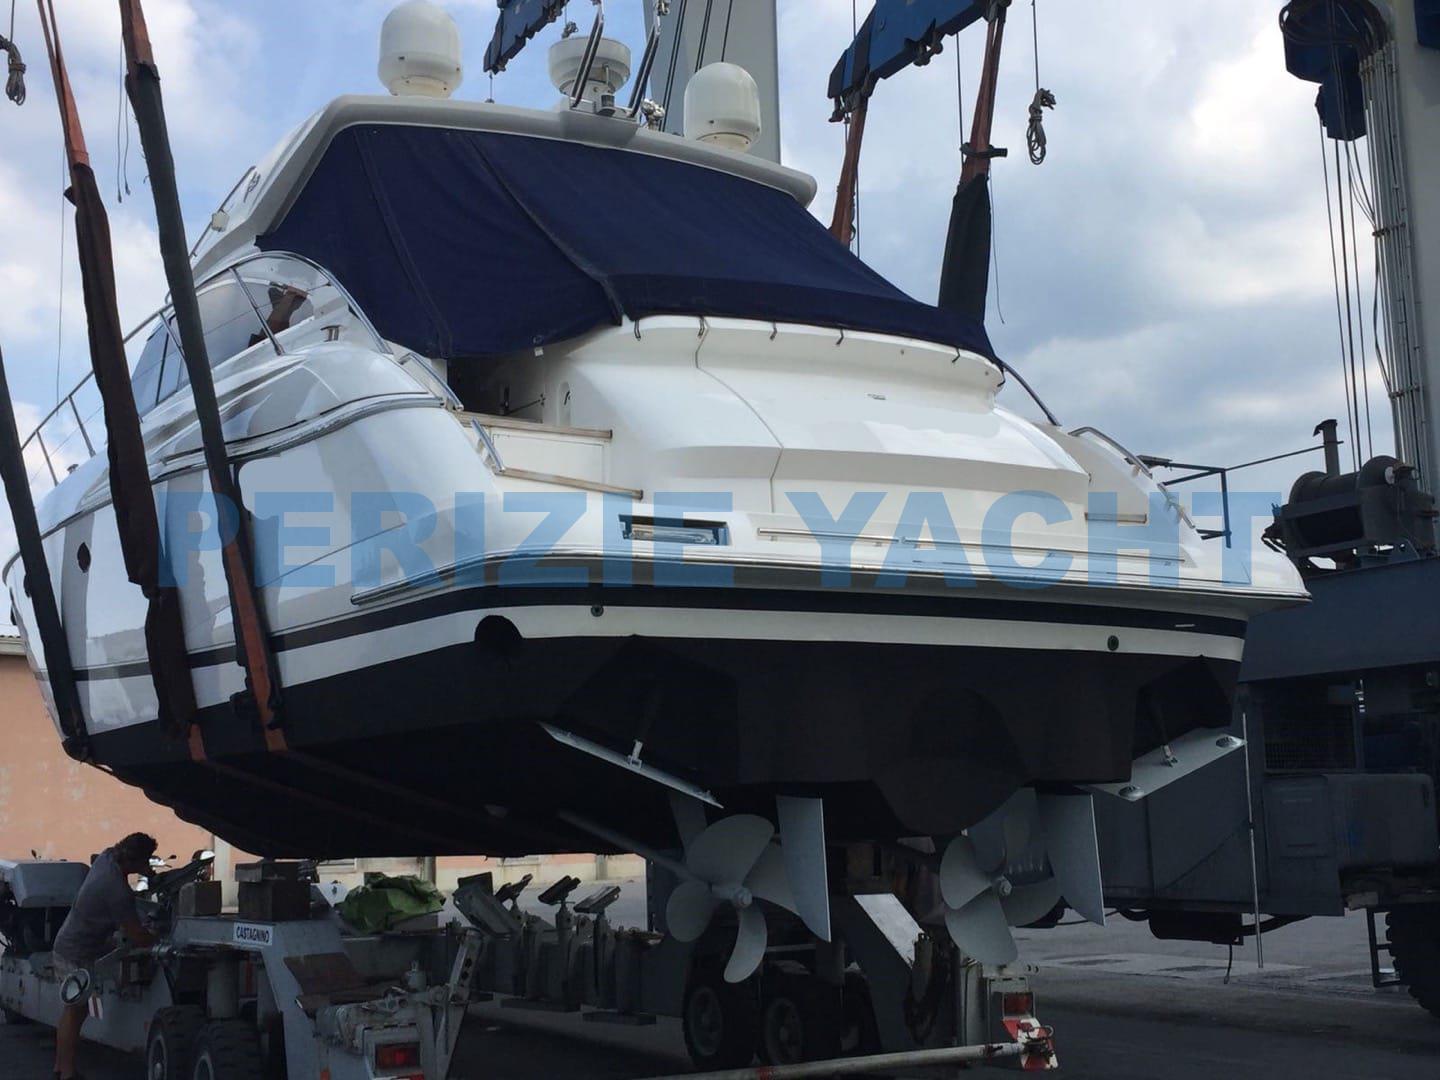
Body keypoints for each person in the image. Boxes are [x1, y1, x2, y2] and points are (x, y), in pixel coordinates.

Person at [49, 833, 159, 1080]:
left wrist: (146, 871)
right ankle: (66, 1073)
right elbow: (137, 936)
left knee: (75, 1011)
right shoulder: (116, 891)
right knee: (75, 1011)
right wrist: (158, 937)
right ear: (136, 860)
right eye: (146, 860)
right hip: (76, 952)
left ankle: (60, 1068)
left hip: (72, 943)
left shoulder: (107, 857)